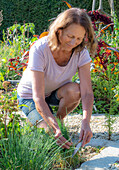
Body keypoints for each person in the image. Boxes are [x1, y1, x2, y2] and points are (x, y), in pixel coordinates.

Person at [17, 8, 97, 149]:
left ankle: (58, 121)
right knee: (48, 134)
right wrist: (52, 127)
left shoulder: (81, 53)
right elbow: (38, 98)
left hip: (54, 93)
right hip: (30, 97)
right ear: (59, 31)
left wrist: (86, 122)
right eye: (70, 36)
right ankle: (45, 123)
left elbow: (86, 93)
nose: (74, 42)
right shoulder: (40, 48)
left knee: (75, 90)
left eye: (79, 38)